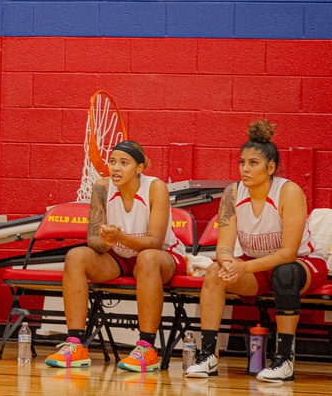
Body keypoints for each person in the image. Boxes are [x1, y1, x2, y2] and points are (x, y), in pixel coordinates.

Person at [186, 120, 326, 382]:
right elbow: (224, 246)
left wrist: (243, 267)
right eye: (242, 162)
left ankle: (284, 359)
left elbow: (288, 253)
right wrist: (227, 263)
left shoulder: (289, 191)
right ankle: (208, 356)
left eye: (253, 163)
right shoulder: (232, 193)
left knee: (284, 273)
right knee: (215, 272)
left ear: (270, 168)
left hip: (304, 264)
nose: (245, 169)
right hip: (256, 265)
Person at [44, 141, 185, 372]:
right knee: (76, 256)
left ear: (139, 168)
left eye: (124, 163)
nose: (116, 168)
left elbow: (155, 243)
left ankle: (147, 348)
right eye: (112, 162)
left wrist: (120, 237)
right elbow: (93, 240)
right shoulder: (102, 187)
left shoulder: (155, 187)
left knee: (148, 258)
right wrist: (105, 242)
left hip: (162, 258)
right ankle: (76, 344)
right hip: (119, 257)